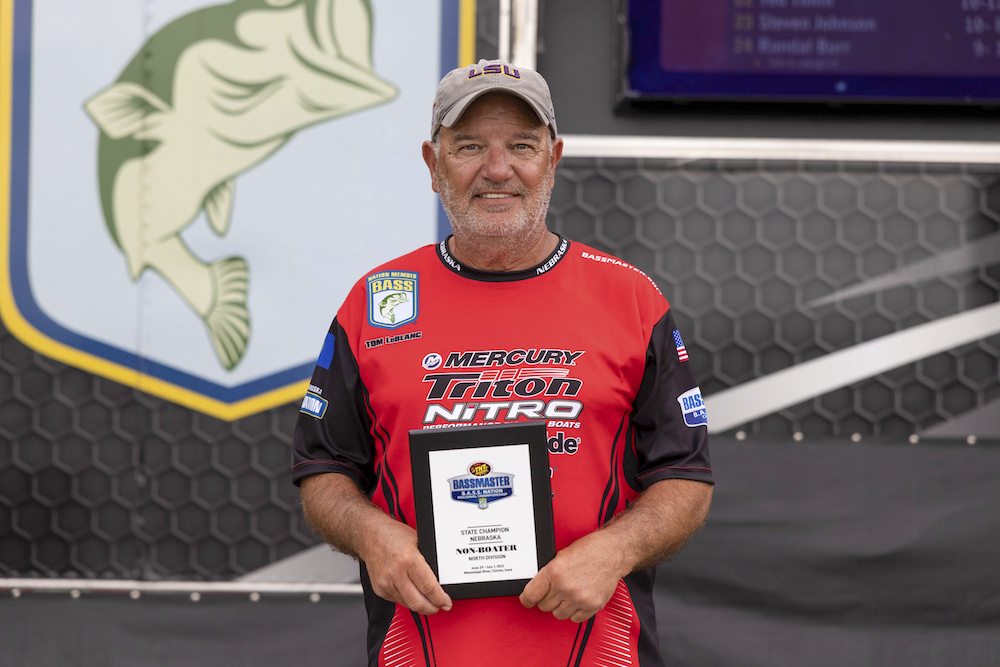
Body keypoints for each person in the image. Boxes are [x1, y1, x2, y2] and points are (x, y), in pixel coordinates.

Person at [293, 59, 713, 666]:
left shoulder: (631, 299)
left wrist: (614, 551)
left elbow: (685, 476)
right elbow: (323, 468)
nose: (497, 169)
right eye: (469, 146)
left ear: (553, 159)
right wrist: (372, 535)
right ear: (433, 164)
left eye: (522, 145)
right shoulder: (375, 303)